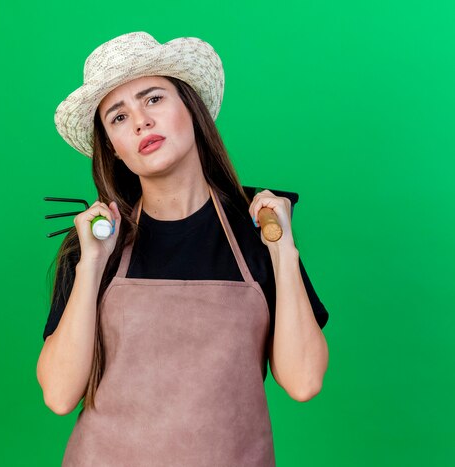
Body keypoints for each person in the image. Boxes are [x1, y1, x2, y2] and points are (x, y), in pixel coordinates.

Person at [37, 31, 329, 466]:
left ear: (191, 110)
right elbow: (60, 395)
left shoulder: (258, 232)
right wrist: (92, 264)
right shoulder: (94, 246)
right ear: (113, 150)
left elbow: (303, 381)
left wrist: (284, 250)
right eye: (118, 117)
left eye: (153, 99)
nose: (140, 122)